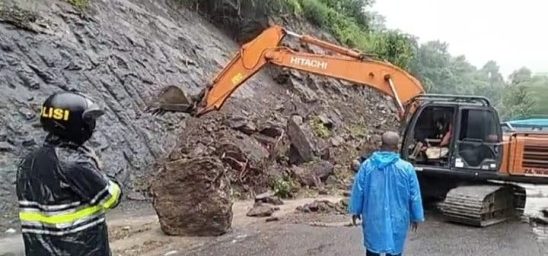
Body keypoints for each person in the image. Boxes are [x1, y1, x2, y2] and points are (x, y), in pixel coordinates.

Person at [15, 92, 123, 256]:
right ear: (75, 124)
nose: (91, 125)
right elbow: (111, 198)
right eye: (88, 121)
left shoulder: (26, 163)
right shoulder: (74, 163)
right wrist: (98, 170)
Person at [348, 131, 425, 256]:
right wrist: (416, 216)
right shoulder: (406, 168)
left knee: (372, 249)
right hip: (398, 218)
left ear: (381, 145)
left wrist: (355, 211)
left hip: (374, 218)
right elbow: (414, 195)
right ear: (396, 147)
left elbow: (358, 190)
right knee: (395, 249)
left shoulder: (367, 166)